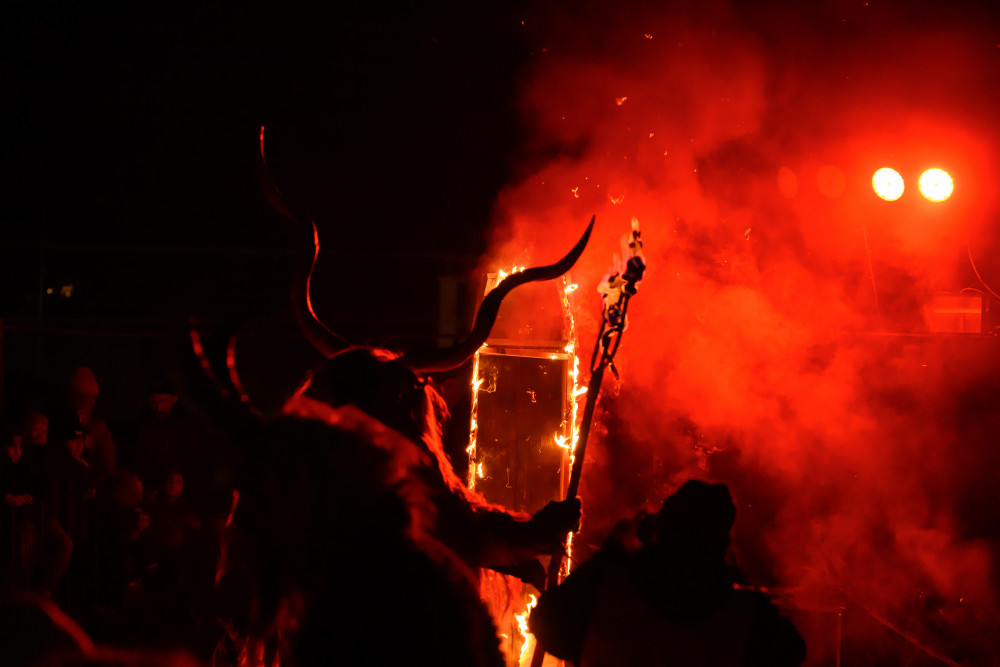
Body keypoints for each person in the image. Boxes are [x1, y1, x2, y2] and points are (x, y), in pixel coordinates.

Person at [529, 480, 806, 666]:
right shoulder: (745, 616)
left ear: (660, 530)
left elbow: (546, 623)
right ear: (723, 544)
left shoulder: (610, 591)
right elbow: (792, 653)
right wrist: (736, 576)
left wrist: (613, 552)